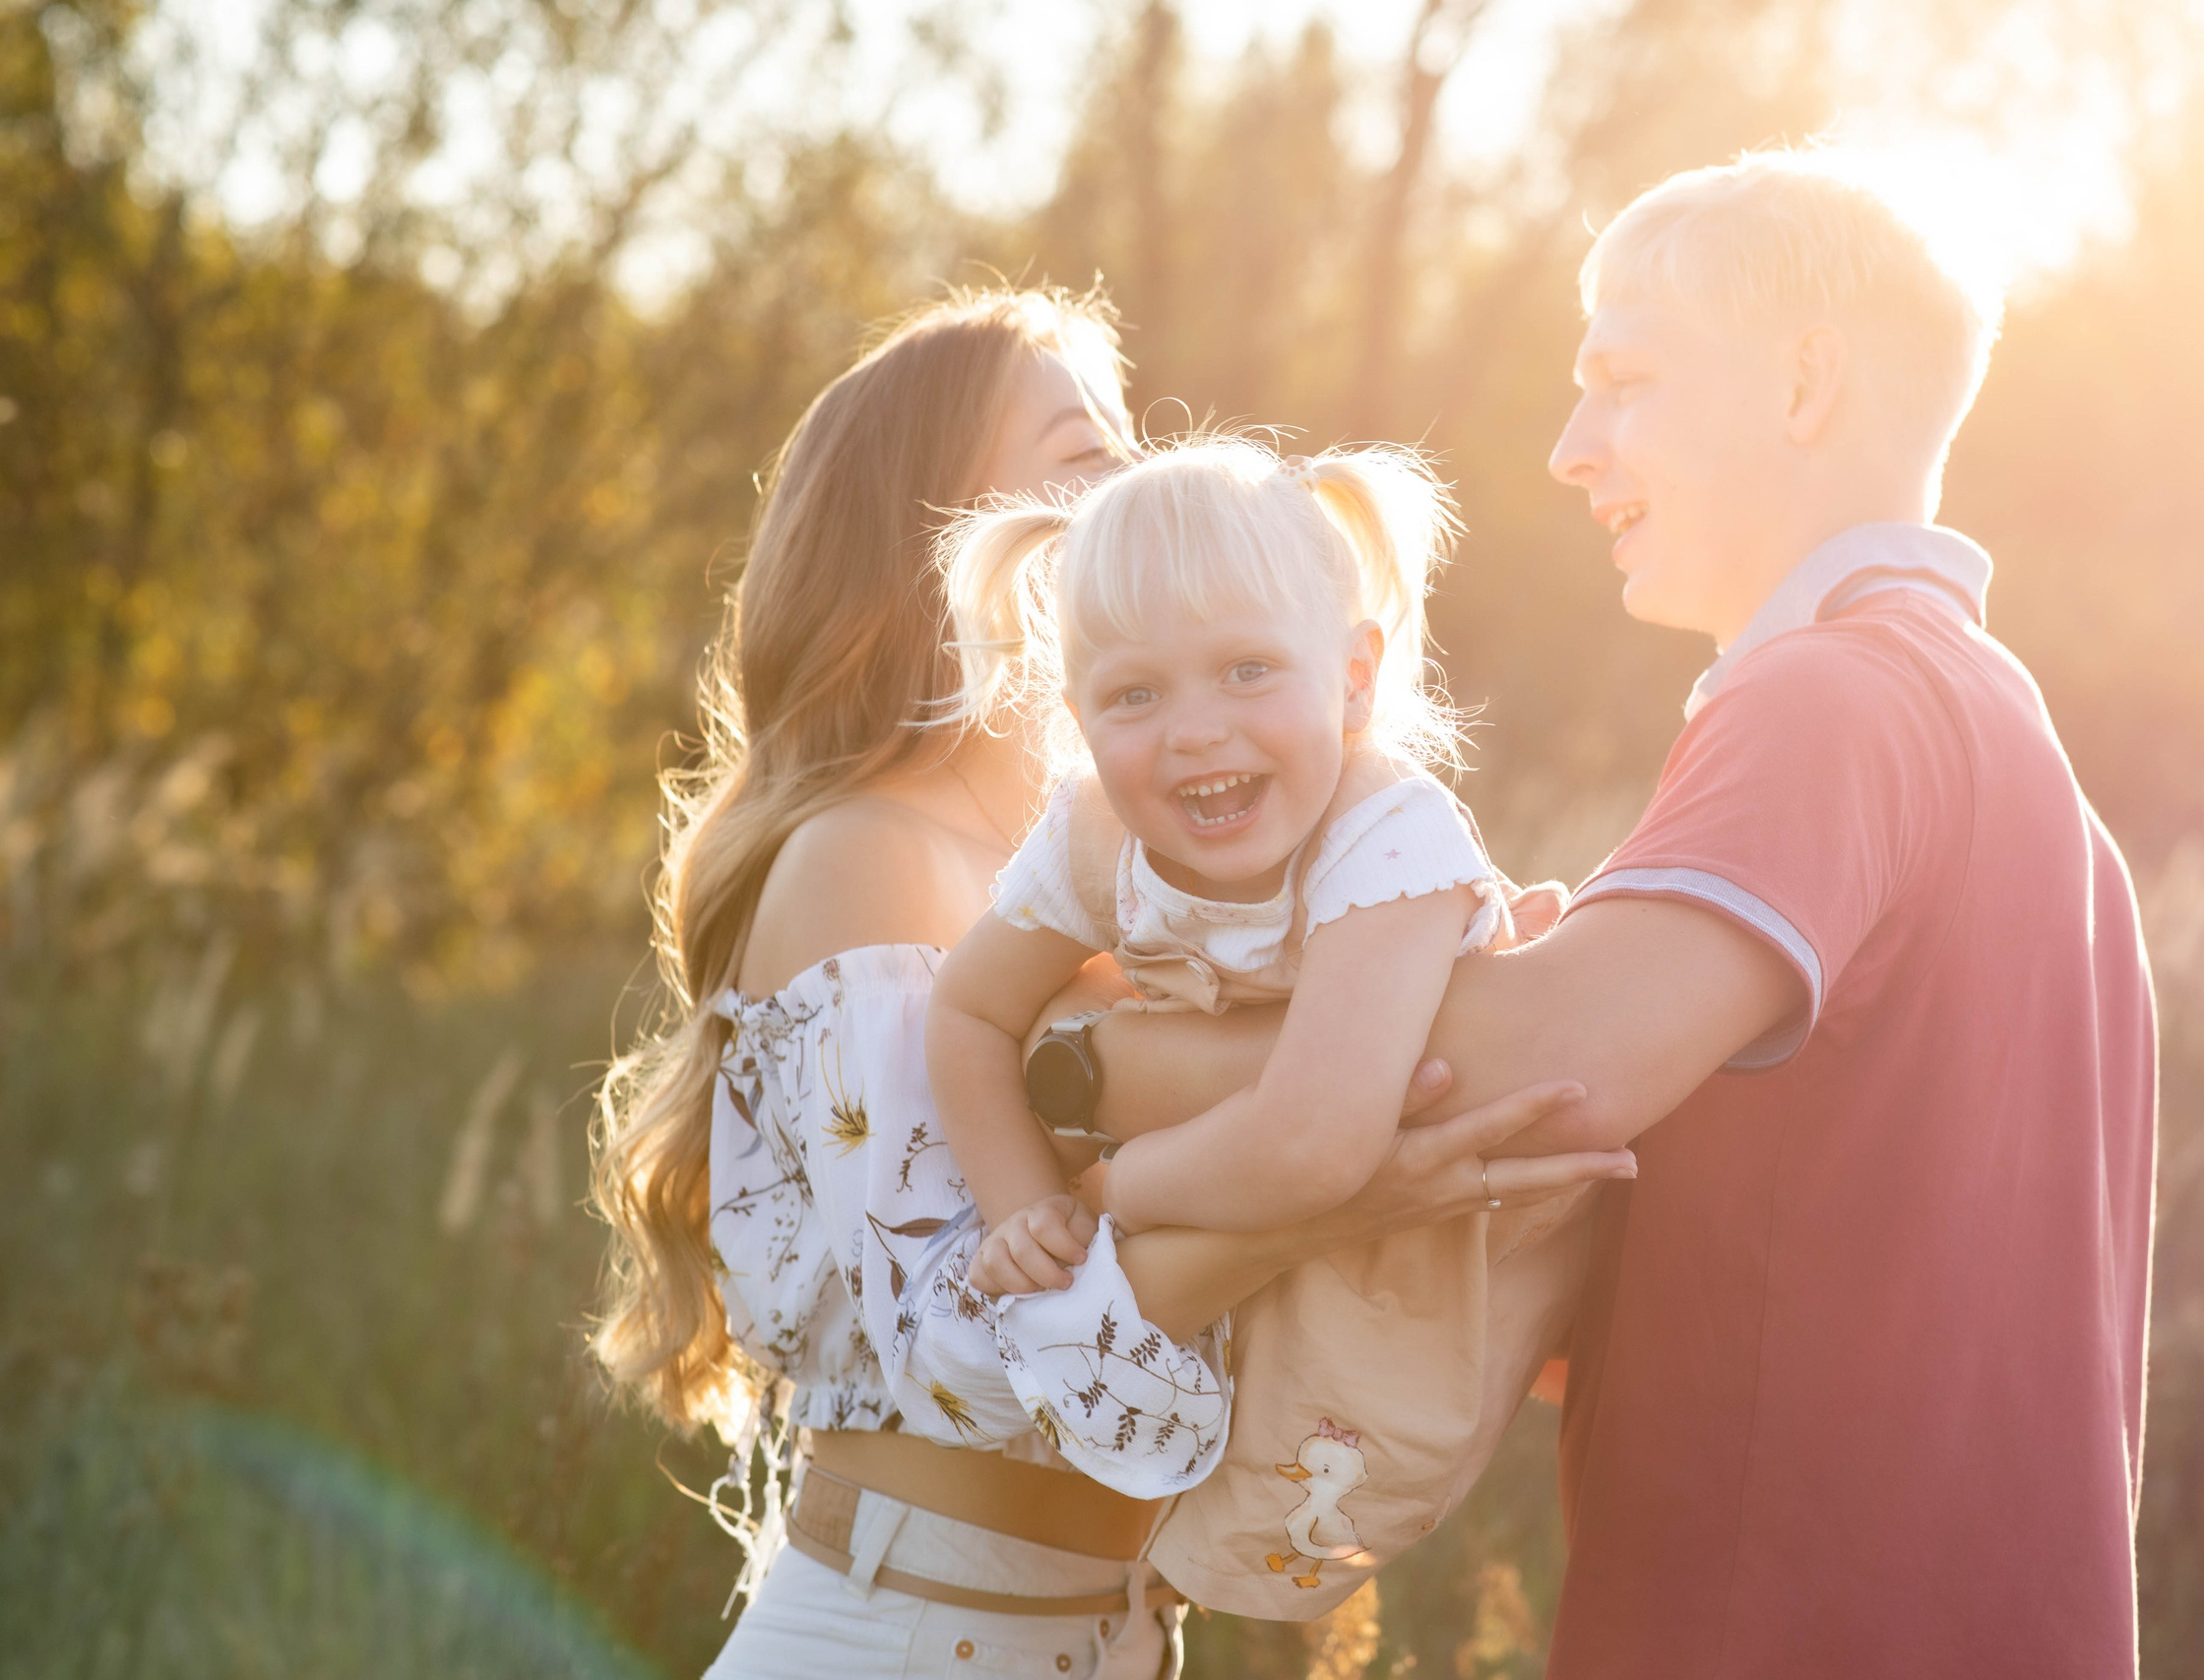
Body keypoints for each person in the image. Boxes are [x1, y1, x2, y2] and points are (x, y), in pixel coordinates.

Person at [1084, 151, 2159, 1678]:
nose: (1571, 449)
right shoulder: (2013, 745)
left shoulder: (1831, 696)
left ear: (1805, 383)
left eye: (1625, 378)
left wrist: (1073, 1051)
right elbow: (1741, 1263)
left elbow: (1517, 1078)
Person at [588, 287, 1627, 1679]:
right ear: (939, 539)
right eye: (1085, 457)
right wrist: (1328, 1186)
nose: (1134, 488)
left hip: (1106, 1635)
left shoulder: (1144, 870)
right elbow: (962, 1352)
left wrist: (1424, 989)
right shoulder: (870, 853)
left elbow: (1226, 1205)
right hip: (908, 1632)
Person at [926, 435, 1591, 1615]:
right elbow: (970, 1009)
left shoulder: (1388, 832)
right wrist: (1018, 1201)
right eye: (1135, 694)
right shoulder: (1093, 837)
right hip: (1236, 1222)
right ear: (1077, 718)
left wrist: (1096, 1204)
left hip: (1424, 1235)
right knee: (1131, 1486)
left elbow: (1318, 1143)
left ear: (1351, 678)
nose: (1193, 731)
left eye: (1245, 671)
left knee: (1317, 1490)